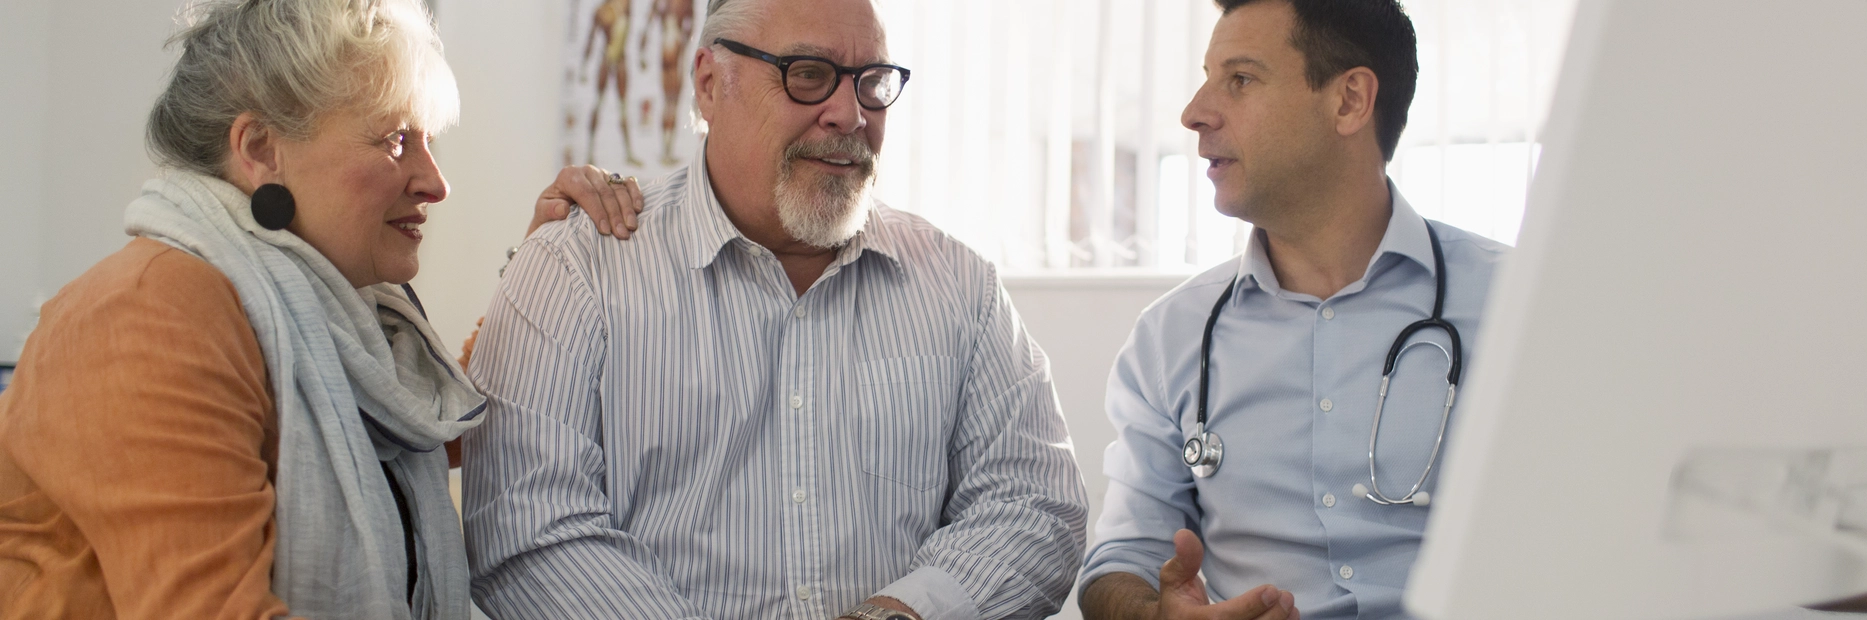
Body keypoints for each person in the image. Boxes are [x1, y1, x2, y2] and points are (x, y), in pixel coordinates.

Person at [0, 0, 635, 616]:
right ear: (259, 150)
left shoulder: (337, 320)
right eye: (394, 140)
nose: (435, 182)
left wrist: (540, 259)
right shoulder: (152, 313)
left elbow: (437, 424)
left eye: (429, 141)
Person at [459, 0, 1089, 617]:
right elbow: (527, 529)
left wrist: (900, 613)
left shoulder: (959, 286)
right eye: (808, 75)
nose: (848, 113)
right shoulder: (576, 269)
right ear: (709, 84)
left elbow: (1035, 505)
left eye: (872, 83)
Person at [1077, 1, 1504, 619]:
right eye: (1206, 77)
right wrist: (1155, 613)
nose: (1195, 113)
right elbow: (1122, 556)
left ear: (1350, 100)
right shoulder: (1172, 337)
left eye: (1240, 79)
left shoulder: (1519, 309)